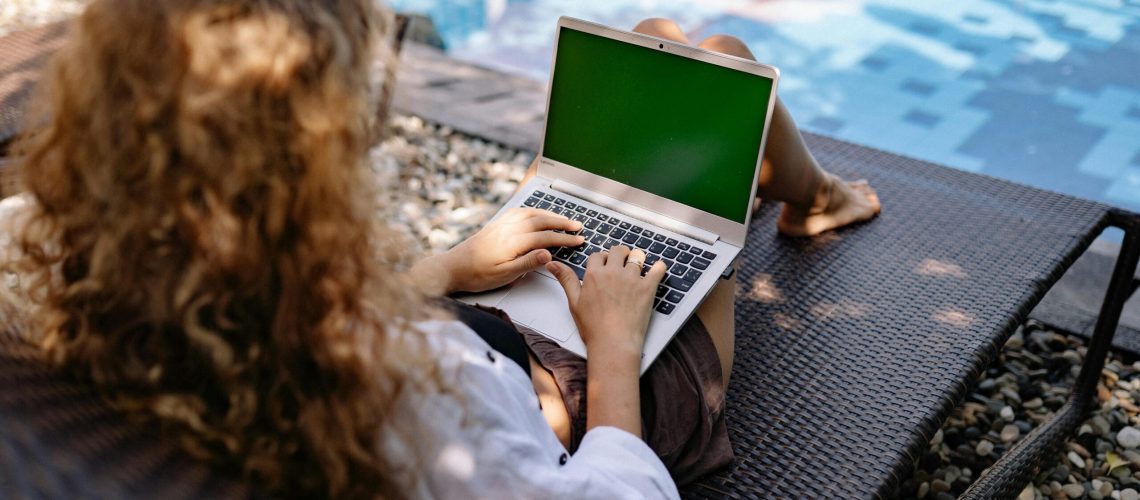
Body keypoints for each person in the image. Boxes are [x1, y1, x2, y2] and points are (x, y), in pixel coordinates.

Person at [2, 0, 878, 498]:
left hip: (479, 326)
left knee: (661, 44)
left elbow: (257, 299)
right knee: (715, 60)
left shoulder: (43, 258)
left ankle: (790, 192)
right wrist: (613, 347)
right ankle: (815, 200)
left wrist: (442, 271)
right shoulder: (400, 392)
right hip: (598, 396)